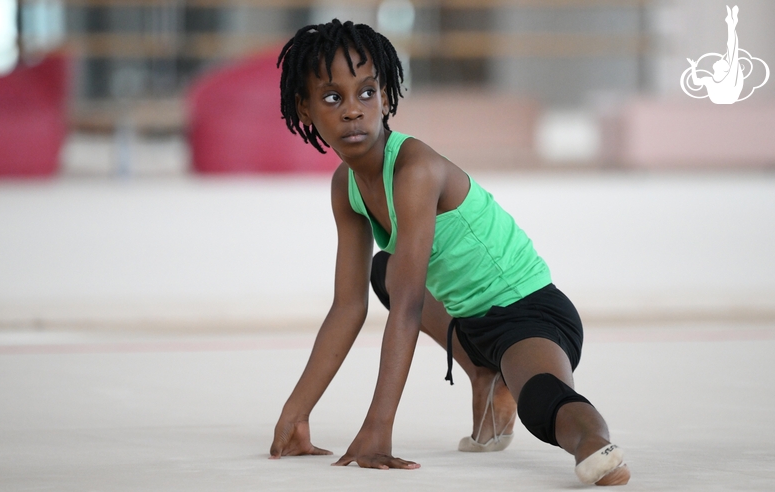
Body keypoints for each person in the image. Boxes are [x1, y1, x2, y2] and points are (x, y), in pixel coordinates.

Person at [268, 19, 630, 486]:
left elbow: (409, 306)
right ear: (305, 107)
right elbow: (347, 306)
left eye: (367, 92)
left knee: (543, 400)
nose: (353, 111)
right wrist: (295, 413)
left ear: (386, 96)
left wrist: (378, 428)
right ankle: (484, 375)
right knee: (385, 269)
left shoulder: (415, 169)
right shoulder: (347, 186)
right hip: (468, 322)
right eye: (333, 98)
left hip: (528, 314)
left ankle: (596, 447)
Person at [687, 5, 743, 104]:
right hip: (719, 102)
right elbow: (696, 82)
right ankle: (731, 23)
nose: (720, 59)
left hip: (727, 100)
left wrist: (731, 26)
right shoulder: (709, 80)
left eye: (723, 61)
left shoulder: (730, 78)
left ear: (725, 69)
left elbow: (732, 48)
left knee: (731, 49)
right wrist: (693, 67)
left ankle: (731, 23)